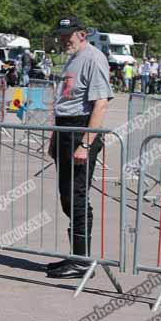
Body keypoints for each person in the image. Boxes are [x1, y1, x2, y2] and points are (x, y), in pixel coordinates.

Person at [46, 15, 112, 279]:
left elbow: (101, 104)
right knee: (67, 195)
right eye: (61, 36)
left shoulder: (94, 58)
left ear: (82, 34)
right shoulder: (73, 57)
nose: (64, 40)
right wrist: (55, 137)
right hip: (65, 130)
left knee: (77, 195)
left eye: (68, 36)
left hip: (80, 130)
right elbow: (65, 102)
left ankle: (82, 261)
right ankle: (76, 255)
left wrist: (85, 143)